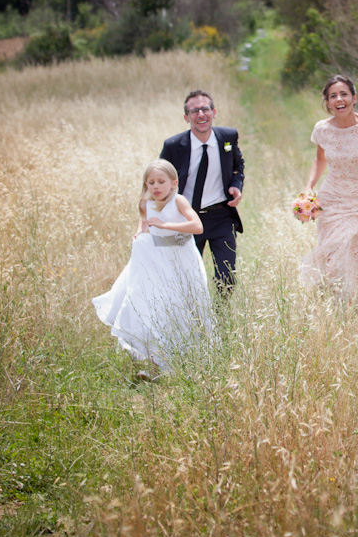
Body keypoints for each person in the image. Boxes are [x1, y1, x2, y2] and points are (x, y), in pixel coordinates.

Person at [92, 159, 213, 380]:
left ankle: (187, 361)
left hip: (180, 258)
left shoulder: (179, 201)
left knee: (181, 305)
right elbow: (145, 224)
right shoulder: (144, 204)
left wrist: (165, 225)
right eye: (151, 182)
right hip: (155, 260)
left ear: (173, 182)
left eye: (161, 182)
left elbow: (197, 226)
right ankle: (155, 364)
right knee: (151, 305)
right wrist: (139, 233)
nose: (156, 187)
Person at [301, 75, 358, 298]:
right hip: (331, 203)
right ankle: (336, 310)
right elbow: (320, 160)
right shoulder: (322, 129)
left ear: (354, 98)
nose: (339, 99)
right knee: (334, 260)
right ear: (328, 102)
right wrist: (309, 187)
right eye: (333, 96)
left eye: (344, 94)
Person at [160, 89, 244, 295]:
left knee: (227, 276)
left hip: (221, 216)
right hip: (187, 219)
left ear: (214, 111)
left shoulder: (228, 137)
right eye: (194, 111)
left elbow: (237, 165)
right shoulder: (173, 146)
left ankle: (221, 318)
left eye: (205, 109)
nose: (201, 115)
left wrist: (236, 184)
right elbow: (160, 179)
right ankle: (194, 320)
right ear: (186, 117)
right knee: (187, 278)